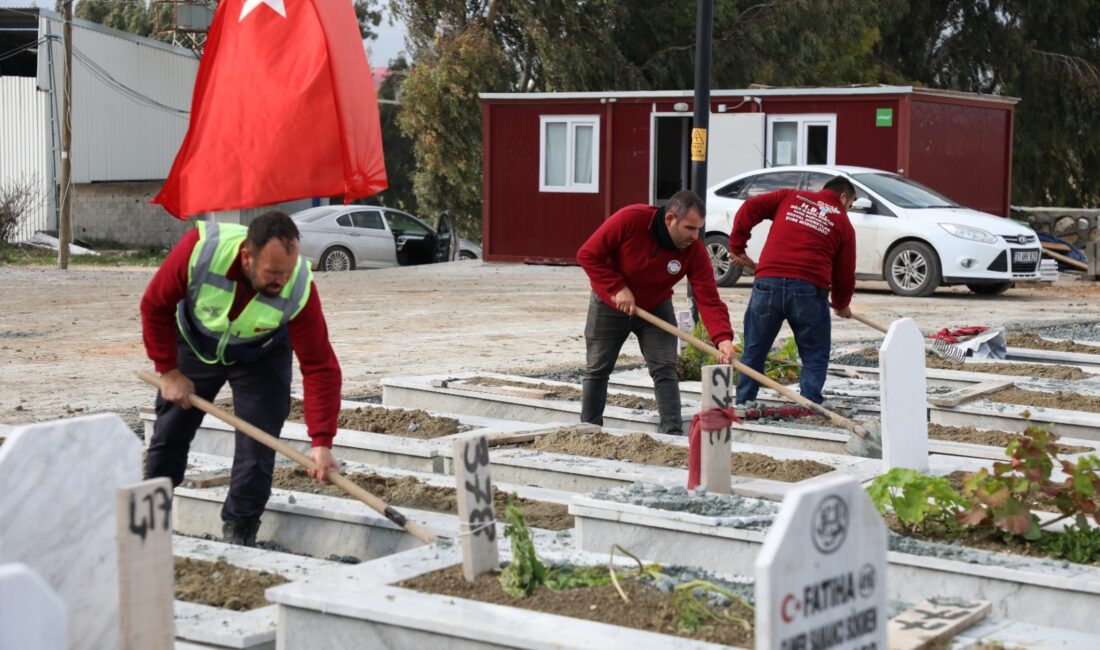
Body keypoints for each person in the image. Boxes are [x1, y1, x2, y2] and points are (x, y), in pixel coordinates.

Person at [141, 211, 342, 547]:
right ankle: (147, 524)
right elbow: (154, 306)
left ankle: (240, 532)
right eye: (273, 272)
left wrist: (322, 442)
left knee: (258, 446)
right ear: (247, 257)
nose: (281, 281)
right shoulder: (201, 250)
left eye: (287, 272)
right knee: (170, 434)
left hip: (261, 356)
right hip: (196, 345)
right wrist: (169, 372)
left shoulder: (299, 286)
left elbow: (320, 365)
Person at [577, 190, 736, 436]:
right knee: (598, 368)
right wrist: (617, 287)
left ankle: (672, 432)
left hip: (655, 307)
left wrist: (722, 338)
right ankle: (589, 430)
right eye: (690, 228)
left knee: (665, 368)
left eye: (699, 229)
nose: (696, 236)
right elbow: (588, 254)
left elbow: (708, 298)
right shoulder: (630, 220)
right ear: (670, 218)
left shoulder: (693, 250)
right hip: (610, 304)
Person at [728, 175, 857, 407]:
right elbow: (845, 273)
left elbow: (749, 208)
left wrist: (737, 247)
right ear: (843, 196)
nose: (848, 210)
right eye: (850, 205)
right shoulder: (843, 224)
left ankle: (743, 402)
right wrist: (841, 303)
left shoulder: (789, 197)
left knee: (754, 349)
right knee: (814, 351)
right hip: (808, 290)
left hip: (768, 283)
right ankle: (809, 403)